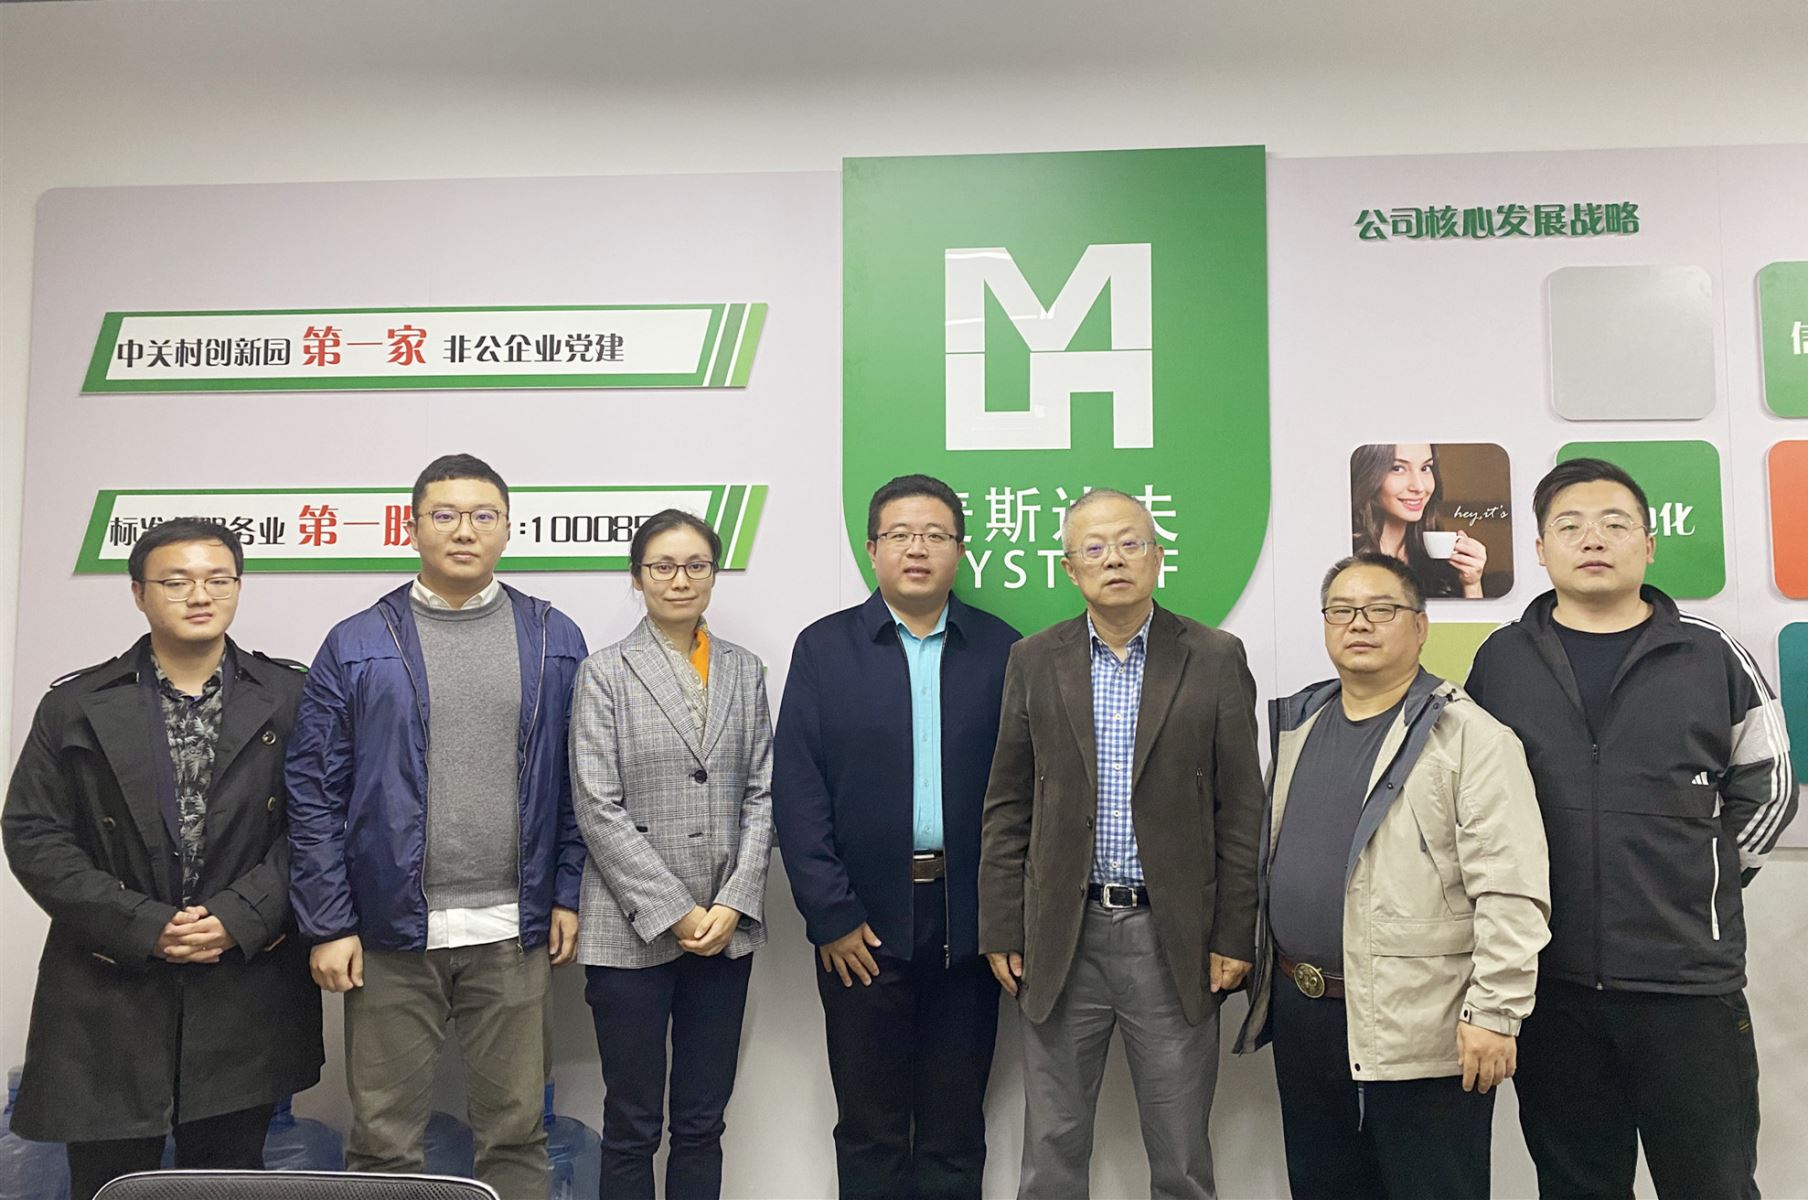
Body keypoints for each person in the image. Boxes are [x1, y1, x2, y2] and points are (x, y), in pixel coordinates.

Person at [1465, 457, 1797, 1199]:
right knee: (1575, 1186)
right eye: (1570, 526)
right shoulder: (1501, 660)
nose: (1593, 539)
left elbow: (1770, 786)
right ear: (1541, 549)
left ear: (1647, 545)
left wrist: (1703, 877)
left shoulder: (1710, 654)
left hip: (1688, 990)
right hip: (1552, 987)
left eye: (1615, 524)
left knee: (1712, 1184)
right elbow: (1471, 804)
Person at [285, 453, 588, 1200]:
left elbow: (577, 782)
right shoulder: (356, 641)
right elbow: (313, 792)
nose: (464, 531)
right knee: (383, 1141)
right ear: (412, 527)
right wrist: (329, 922)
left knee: (517, 1135)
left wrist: (566, 893)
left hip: (513, 930)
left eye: (483, 515)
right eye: (444, 515)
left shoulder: (553, 637)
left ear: (507, 529)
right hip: (390, 934)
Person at [3, 518, 322, 1200]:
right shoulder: (75, 704)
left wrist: (240, 915)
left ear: (238, 587)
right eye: (176, 582)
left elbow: (319, 825)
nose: (199, 596)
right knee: (111, 1182)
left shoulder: (291, 697)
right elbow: (34, 833)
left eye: (218, 579)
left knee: (227, 1181)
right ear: (139, 593)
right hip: (110, 982)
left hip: (242, 979)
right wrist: (143, 924)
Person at [1233, 552, 1549, 1200]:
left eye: (1382, 609)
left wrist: (1495, 1012)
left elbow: (1512, 887)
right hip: (1306, 1015)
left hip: (1421, 1021)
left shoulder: (1470, 737)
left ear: (1421, 626)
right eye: (1342, 610)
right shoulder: (1301, 725)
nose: (1360, 623)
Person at [978, 487, 1264, 1200]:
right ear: (1069, 568)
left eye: (1131, 543)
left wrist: (1235, 932)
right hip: (1060, 935)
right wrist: (1002, 926)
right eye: (1095, 548)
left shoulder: (1214, 657)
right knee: (1051, 1151)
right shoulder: (1033, 660)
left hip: (1172, 939)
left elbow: (1241, 810)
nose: (1114, 559)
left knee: (1180, 1156)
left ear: (1158, 558)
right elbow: (1008, 803)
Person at [772, 474, 1020, 1199]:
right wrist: (831, 915)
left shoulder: (1004, 650)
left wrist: (1003, 917)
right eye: (901, 535)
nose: (918, 549)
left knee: (955, 1128)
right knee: (870, 1127)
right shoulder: (824, 648)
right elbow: (798, 791)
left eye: (936, 535)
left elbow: (1027, 794)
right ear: (872, 548)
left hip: (969, 924)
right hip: (861, 923)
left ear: (960, 552)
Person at [568, 508, 773, 1200]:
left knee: (702, 1122)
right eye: (662, 566)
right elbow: (596, 804)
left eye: (695, 565)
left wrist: (734, 900)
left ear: (713, 574)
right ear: (637, 577)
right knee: (631, 1122)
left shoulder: (744, 671)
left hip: (725, 928)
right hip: (629, 929)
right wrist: (676, 910)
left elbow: (762, 793)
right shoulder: (604, 672)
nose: (680, 579)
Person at [1350, 442, 1487, 599]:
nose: (1419, 487)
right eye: (1398, 468)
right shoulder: (1345, 552)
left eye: (1425, 468)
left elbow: (1469, 616)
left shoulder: (1441, 561)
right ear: (1369, 474)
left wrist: (1472, 585)